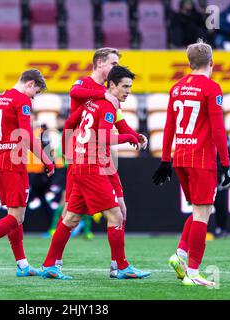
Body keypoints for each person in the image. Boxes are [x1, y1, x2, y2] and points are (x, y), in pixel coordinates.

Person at [40, 66, 151, 280]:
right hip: (92, 166)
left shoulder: (91, 103)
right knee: (116, 215)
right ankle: (121, 267)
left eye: (130, 87)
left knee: (71, 218)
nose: (128, 91)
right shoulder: (107, 106)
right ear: (111, 85)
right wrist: (129, 139)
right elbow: (104, 138)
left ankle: (49, 265)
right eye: (124, 86)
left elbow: (72, 122)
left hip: (82, 163)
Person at [152, 40, 230, 287]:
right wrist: (226, 164)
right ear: (212, 63)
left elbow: (168, 128)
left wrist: (165, 160)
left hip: (181, 158)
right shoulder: (212, 87)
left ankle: (181, 256)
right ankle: (194, 272)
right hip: (202, 159)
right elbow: (218, 130)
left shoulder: (176, 88)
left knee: (201, 209)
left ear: (189, 63)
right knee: (202, 213)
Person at [0, 69, 55, 278]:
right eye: (35, 93)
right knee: (17, 217)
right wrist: (47, 160)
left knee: (14, 215)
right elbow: (25, 136)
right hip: (14, 161)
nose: (33, 97)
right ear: (30, 84)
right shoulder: (21, 100)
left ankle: (22, 265)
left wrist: (6, 143)